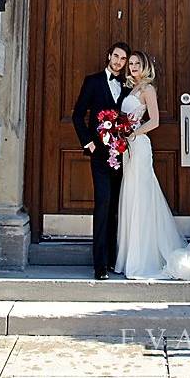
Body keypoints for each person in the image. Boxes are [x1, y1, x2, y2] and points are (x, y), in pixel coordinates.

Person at [114, 51, 190, 280]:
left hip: (140, 145)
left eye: (138, 63)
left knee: (143, 196)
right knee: (130, 195)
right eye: (132, 63)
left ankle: (145, 258)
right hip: (128, 148)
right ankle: (129, 257)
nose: (133, 66)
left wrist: (133, 133)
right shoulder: (131, 89)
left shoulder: (148, 89)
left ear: (145, 66)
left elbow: (154, 121)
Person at [72, 42, 131, 280]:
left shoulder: (128, 86)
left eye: (123, 59)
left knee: (118, 207)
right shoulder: (93, 81)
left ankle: (115, 258)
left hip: (123, 155)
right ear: (109, 56)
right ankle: (99, 264)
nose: (118, 61)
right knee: (103, 204)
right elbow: (78, 115)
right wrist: (89, 142)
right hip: (100, 155)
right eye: (115, 56)